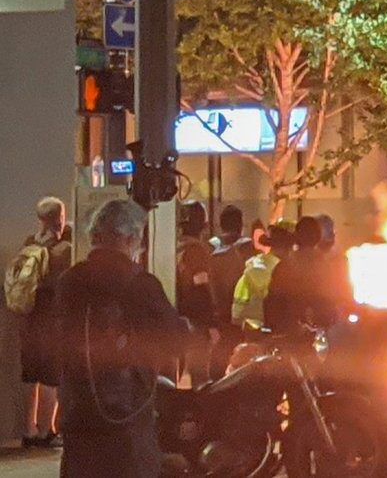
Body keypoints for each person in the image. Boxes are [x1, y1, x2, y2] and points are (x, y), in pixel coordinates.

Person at [56, 200, 189, 478]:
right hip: (126, 413)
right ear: (131, 239)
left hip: (78, 406)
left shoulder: (70, 281)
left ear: (95, 237)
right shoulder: (140, 283)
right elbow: (175, 341)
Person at [19, 197, 72, 448]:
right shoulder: (63, 249)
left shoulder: (29, 244)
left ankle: (28, 429)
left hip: (29, 317)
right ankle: (47, 431)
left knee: (31, 376)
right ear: (59, 217)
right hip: (52, 318)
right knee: (52, 376)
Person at [265, 216, 348, 335]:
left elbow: (272, 302)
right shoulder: (328, 267)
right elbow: (340, 298)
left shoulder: (284, 266)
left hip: (289, 333)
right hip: (322, 333)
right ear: (318, 238)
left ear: (296, 237)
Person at [208, 205, 255, 378]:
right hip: (246, 319)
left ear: (220, 225)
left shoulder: (211, 251)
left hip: (221, 319)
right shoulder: (249, 250)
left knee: (218, 369)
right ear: (241, 225)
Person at [176, 201, 216, 386]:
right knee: (200, 378)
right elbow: (201, 286)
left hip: (177, 317)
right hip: (195, 322)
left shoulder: (175, 247)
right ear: (204, 226)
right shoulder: (196, 251)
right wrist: (210, 324)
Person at [232, 223, 293, 330]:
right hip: (270, 330)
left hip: (243, 327)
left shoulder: (254, 264)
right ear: (289, 247)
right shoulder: (281, 270)